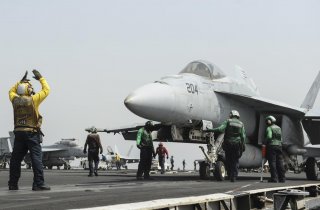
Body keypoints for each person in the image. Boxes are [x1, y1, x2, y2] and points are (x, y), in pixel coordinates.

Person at [8, 70, 51, 191]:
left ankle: (12, 184)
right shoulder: (33, 100)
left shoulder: (14, 100)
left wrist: (19, 82)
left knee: (15, 160)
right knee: (36, 158)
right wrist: (41, 78)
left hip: (19, 133)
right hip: (32, 133)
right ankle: (38, 183)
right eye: (30, 87)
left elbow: (10, 91)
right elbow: (46, 90)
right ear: (28, 90)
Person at [205, 110, 246, 182]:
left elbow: (220, 129)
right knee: (235, 161)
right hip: (237, 144)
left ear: (231, 115)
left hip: (228, 144)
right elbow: (243, 136)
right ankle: (234, 177)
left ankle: (230, 175)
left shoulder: (228, 121)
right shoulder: (241, 124)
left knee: (229, 160)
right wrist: (243, 145)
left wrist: (210, 130)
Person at [265, 116, 286, 183]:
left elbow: (269, 136)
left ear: (269, 121)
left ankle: (274, 178)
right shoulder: (279, 128)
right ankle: (282, 178)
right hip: (279, 146)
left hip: (272, 146)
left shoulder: (269, 128)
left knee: (272, 162)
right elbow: (281, 138)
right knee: (280, 162)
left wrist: (265, 141)